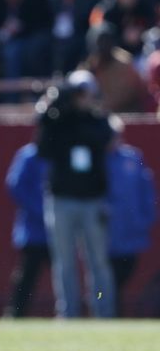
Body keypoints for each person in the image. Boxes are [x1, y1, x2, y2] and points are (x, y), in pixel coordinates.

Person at [37, 70, 115, 317]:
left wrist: (85, 109)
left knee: (98, 261)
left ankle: (103, 312)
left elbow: (104, 136)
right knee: (64, 262)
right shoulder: (58, 120)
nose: (82, 98)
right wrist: (54, 102)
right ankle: (68, 313)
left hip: (92, 199)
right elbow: (42, 138)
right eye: (77, 94)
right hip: (62, 199)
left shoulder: (97, 120)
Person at [105, 117, 156, 315]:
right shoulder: (97, 158)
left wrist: (145, 218)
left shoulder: (132, 157)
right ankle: (110, 312)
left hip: (131, 231)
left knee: (125, 272)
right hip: (106, 233)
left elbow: (146, 189)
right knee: (107, 278)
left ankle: (115, 311)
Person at [3, 142, 51, 317]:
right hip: (34, 230)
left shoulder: (61, 151)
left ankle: (70, 311)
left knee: (64, 275)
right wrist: (41, 210)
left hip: (58, 231)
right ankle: (15, 312)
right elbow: (16, 185)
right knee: (27, 274)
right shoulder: (29, 155)